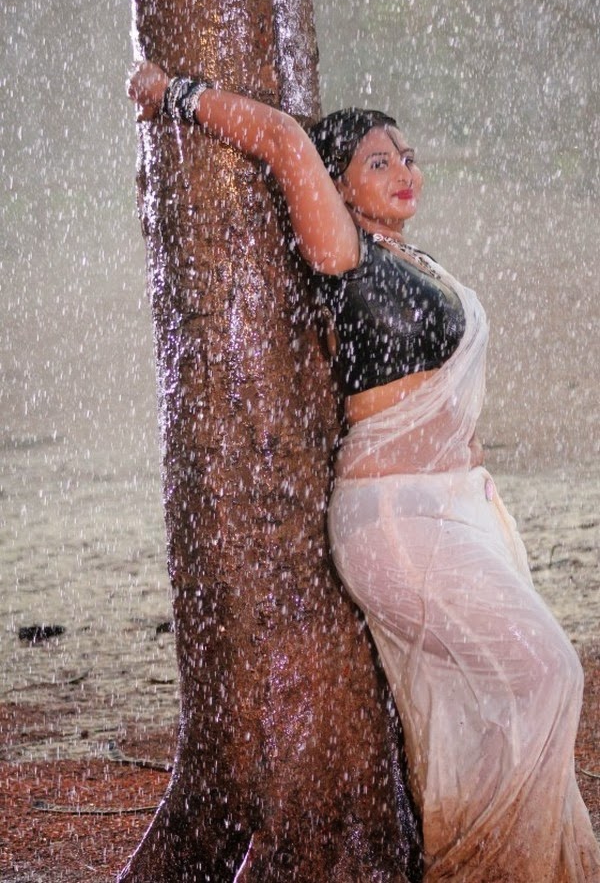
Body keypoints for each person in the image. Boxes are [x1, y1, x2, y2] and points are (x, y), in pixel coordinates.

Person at [128, 62, 600, 882]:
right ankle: (488, 865)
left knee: (496, 698)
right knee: (548, 673)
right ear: (339, 186)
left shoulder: (421, 264)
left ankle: (506, 858)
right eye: (377, 162)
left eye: (407, 157)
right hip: (395, 524)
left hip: (455, 513)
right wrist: (174, 95)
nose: (403, 171)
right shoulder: (341, 251)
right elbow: (283, 140)